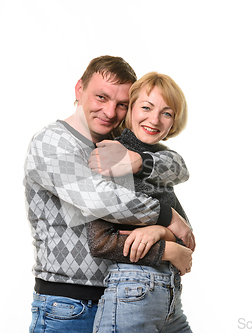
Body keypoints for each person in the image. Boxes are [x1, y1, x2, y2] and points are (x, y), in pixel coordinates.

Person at [24, 56, 194, 333]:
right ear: (79, 89)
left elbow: (178, 168)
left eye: (121, 104)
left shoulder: (118, 144)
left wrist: (140, 161)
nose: (109, 111)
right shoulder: (53, 142)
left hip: (122, 297)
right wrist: (166, 227)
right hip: (69, 304)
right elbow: (100, 201)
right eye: (101, 97)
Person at [88, 72, 193, 333]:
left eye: (167, 113)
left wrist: (159, 229)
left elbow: (187, 237)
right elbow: (100, 242)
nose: (155, 119)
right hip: (132, 291)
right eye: (146, 107)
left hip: (169, 297)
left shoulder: (160, 162)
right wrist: (165, 247)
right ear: (130, 108)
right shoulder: (110, 156)